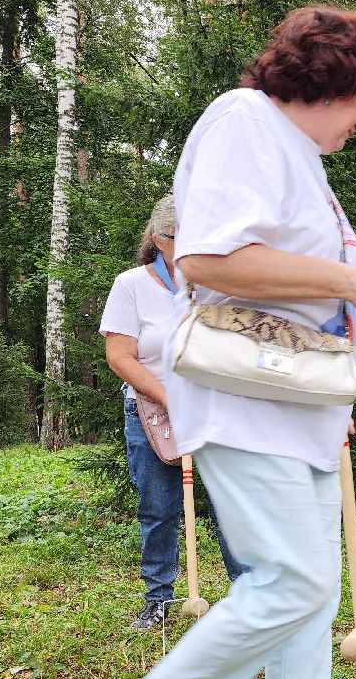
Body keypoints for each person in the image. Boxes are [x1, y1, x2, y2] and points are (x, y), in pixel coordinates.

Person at [92, 6, 356, 679]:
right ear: (332, 79)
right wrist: (355, 285)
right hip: (242, 400)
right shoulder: (245, 121)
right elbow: (208, 258)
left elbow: (294, 278)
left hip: (292, 405)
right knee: (294, 581)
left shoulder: (299, 157)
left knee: (310, 598)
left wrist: (328, 388)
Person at [100, 195, 249, 631]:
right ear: (159, 240)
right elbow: (120, 356)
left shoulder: (216, 286)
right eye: (181, 241)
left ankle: (246, 594)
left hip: (215, 407)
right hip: (150, 408)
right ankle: (158, 598)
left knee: (231, 502)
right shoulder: (130, 285)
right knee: (159, 507)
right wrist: (169, 397)